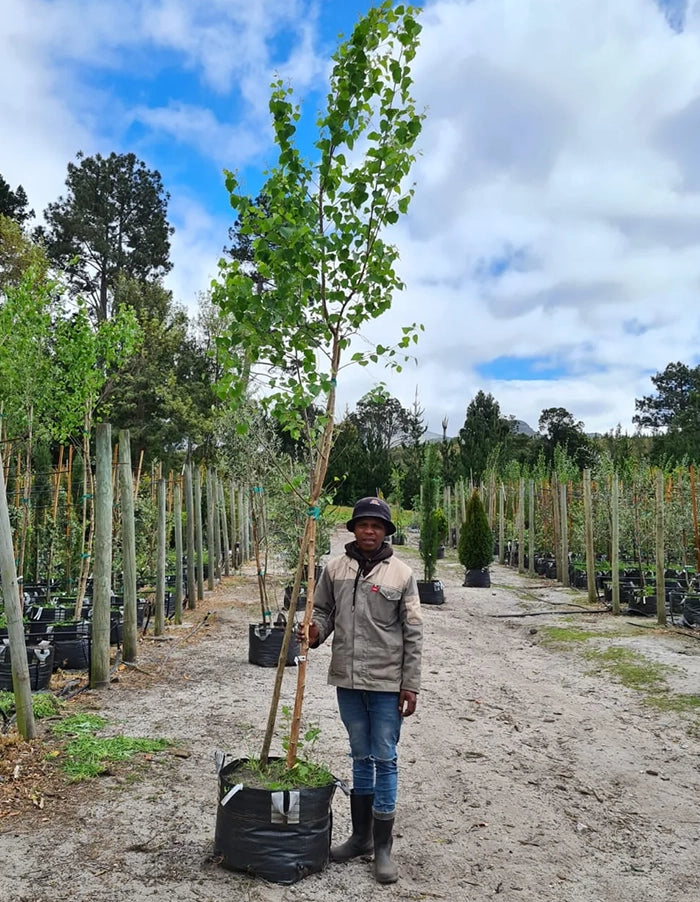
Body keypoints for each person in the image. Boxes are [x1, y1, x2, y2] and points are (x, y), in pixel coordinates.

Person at [302, 496, 423, 884]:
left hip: (387, 683)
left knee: (384, 757)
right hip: (348, 681)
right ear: (352, 528)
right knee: (359, 756)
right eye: (362, 524)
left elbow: (413, 634)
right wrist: (316, 631)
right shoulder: (334, 569)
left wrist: (410, 684)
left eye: (377, 526)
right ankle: (360, 838)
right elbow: (322, 610)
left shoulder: (401, 574)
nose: (369, 531)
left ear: (387, 531)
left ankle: (383, 849)